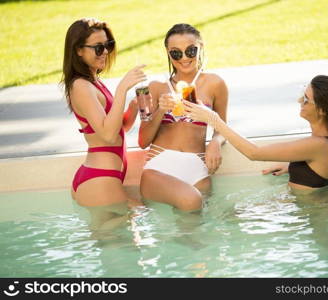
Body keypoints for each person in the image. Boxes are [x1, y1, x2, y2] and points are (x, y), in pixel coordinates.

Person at [184, 75, 328, 191]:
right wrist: (297, 168)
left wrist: (214, 120)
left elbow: (254, 153)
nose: (299, 101)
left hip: (310, 217)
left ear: (322, 110)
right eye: (302, 94)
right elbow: (324, 168)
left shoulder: (317, 145)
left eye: (306, 99)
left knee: (229, 218)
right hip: (311, 209)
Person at [62, 18, 146, 230]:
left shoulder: (93, 82)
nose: (105, 52)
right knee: (125, 251)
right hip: (100, 180)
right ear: (79, 50)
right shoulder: (81, 86)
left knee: (119, 247)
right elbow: (108, 136)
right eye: (98, 47)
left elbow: (117, 128)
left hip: (102, 178)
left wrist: (133, 107)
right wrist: (122, 89)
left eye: (108, 45)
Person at [138, 23, 228, 211]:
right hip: (159, 167)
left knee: (196, 234)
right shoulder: (154, 87)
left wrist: (215, 143)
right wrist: (161, 110)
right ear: (168, 53)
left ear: (200, 47)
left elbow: (222, 129)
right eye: (176, 53)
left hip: (198, 169)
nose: (185, 58)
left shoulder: (215, 83)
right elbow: (143, 141)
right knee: (191, 202)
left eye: (191, 50)